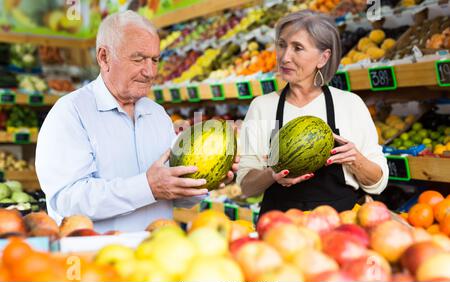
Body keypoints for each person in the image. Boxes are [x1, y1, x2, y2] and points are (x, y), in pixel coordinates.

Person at [35, 11, 237, 232]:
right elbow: (67, 200)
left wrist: (206, 182)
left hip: (158, 254)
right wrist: (147, 187)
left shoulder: (157, 115)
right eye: (138, 59)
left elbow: (174, 194)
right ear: (104, 57)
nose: (150, 72)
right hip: (95, 257)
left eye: (155, 60)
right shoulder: (71, 113)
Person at [237, 10, 389, 215]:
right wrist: (272, 174)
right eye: (281, 45)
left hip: (340, 226)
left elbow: (378, 183)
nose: (285, 57)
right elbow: (245, 187)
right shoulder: (261, 107)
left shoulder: (350, 104)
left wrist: (356, 160)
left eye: (297, 48)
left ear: (323, 58)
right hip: (280, 229)